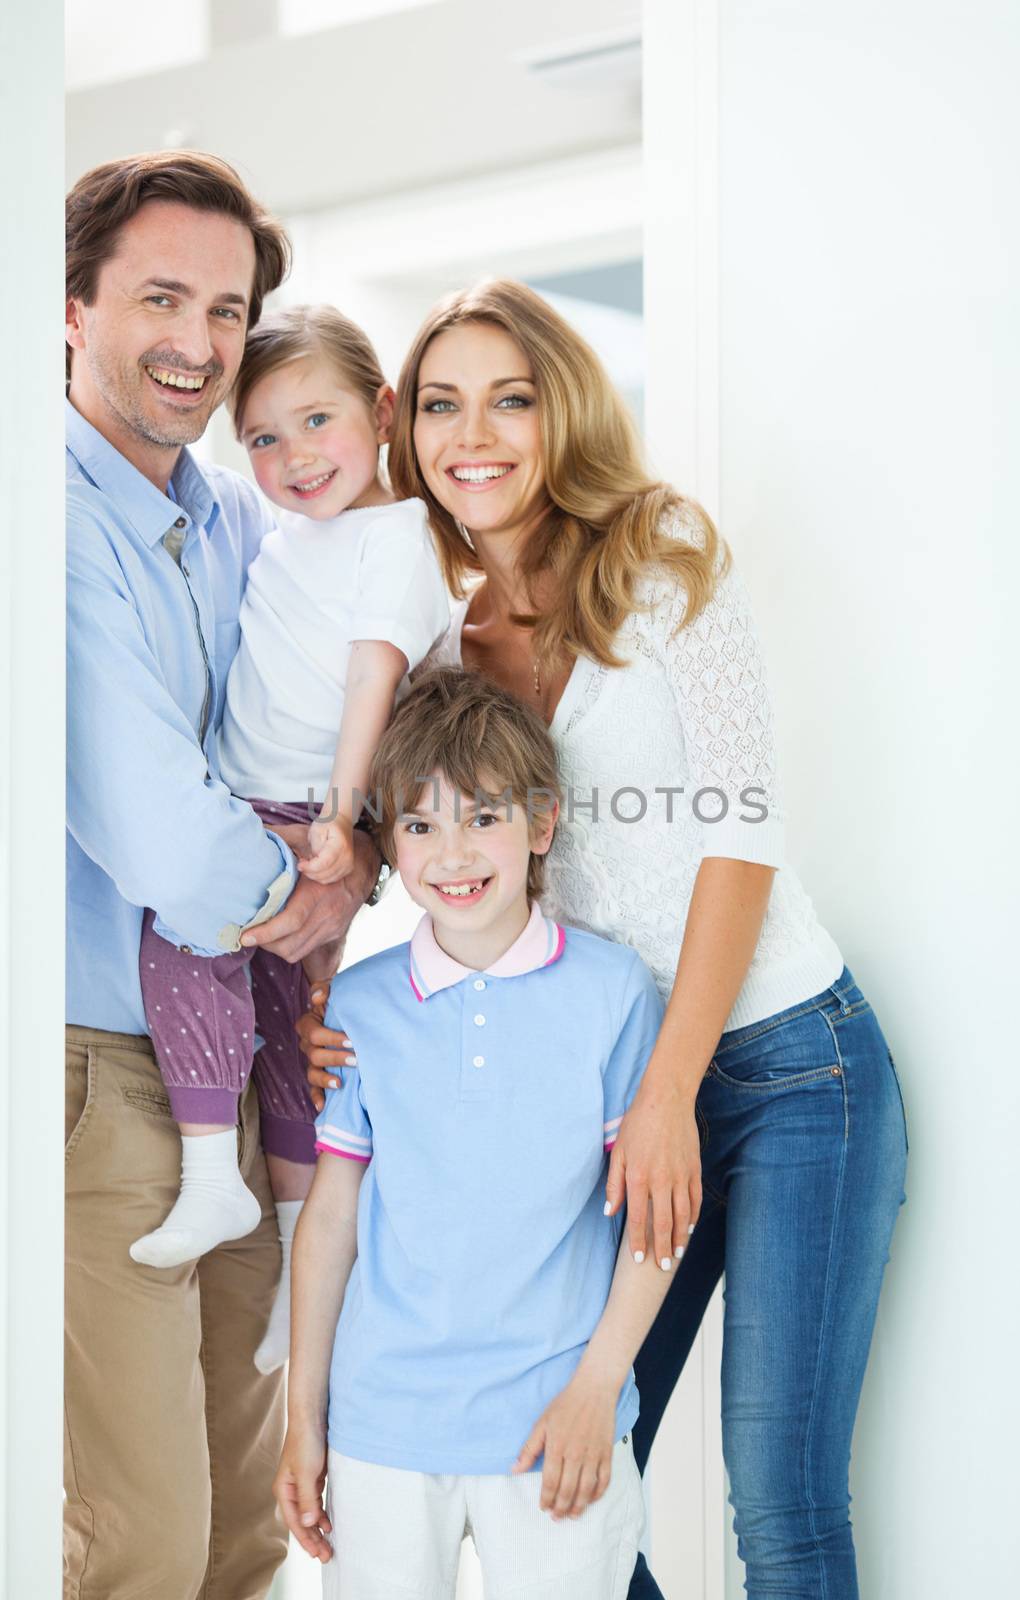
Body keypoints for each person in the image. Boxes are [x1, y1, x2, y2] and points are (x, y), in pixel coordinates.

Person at [300, 279, 909, 1599]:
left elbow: (739, 833)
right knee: (565, 1468)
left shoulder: (657, 552)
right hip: (611, 1091)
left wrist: (669, 1095)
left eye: (510, 398)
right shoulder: (429, 647)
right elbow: (402, 851)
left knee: (780, 1501)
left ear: (559, 410)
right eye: (446, 404)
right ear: (411, 433)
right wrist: (317, 996)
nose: (478, 434)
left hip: (793, 1067)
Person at [65, 153, 380, 1600]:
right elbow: (168, 837)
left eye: (226, 308)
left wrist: (366, 837)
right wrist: (319, 887)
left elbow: (321, 713)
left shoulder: (239, 512)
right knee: (142, 1542)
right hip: (95, 1080)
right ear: (74, 306)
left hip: (241, 1065)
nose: (197, 342)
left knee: (254, 1536)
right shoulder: (45, 520)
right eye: (159, 298)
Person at [278, 668, 677, 1599]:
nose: (452, 853)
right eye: (418, 825)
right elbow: (330, 1226)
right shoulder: (361, 1008)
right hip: (381, 1429)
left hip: (556, 1430)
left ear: (540, 826)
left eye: (482, 817)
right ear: (390, 845)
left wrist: (596, 1392)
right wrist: (304, 1420)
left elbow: (656, 1223)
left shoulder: (614, 995)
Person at [132, 304, 450, 1374]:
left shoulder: (397, 539)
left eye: (317, 421)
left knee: (186, 940)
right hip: (259, 799)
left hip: (296, 813)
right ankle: (290, 1262)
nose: (293, 455)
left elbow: (377, 674)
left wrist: (341, 812)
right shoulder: (286, 534)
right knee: (288, 1033)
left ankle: (216, 1174)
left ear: (381, 411)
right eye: (262, 437)